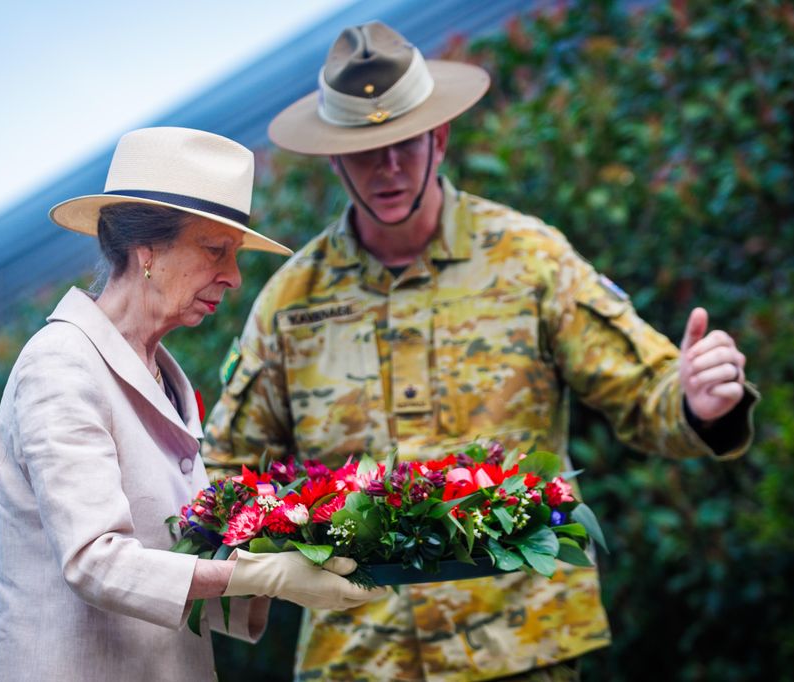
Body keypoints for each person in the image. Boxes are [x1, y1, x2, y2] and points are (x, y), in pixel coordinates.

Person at [203, 22, 760, 682]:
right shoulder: (292, 301)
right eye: (365, 150)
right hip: (362, 659)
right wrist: (282, 556)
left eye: (404, 143)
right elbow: (228, 470)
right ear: (334, 159)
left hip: (522, 645)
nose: (387, 168)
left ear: (438, 138)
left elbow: (644, 393)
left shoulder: (528, 258)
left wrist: (698, 402)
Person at [0, 127, 384, 682]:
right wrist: (263, 574)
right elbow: (95, 560)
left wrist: (322, 554)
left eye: (235, 254)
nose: (235, 276)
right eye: (215, 249)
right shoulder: (61, 363)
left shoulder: (162, 375)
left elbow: (175, 555)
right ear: (146, 251)